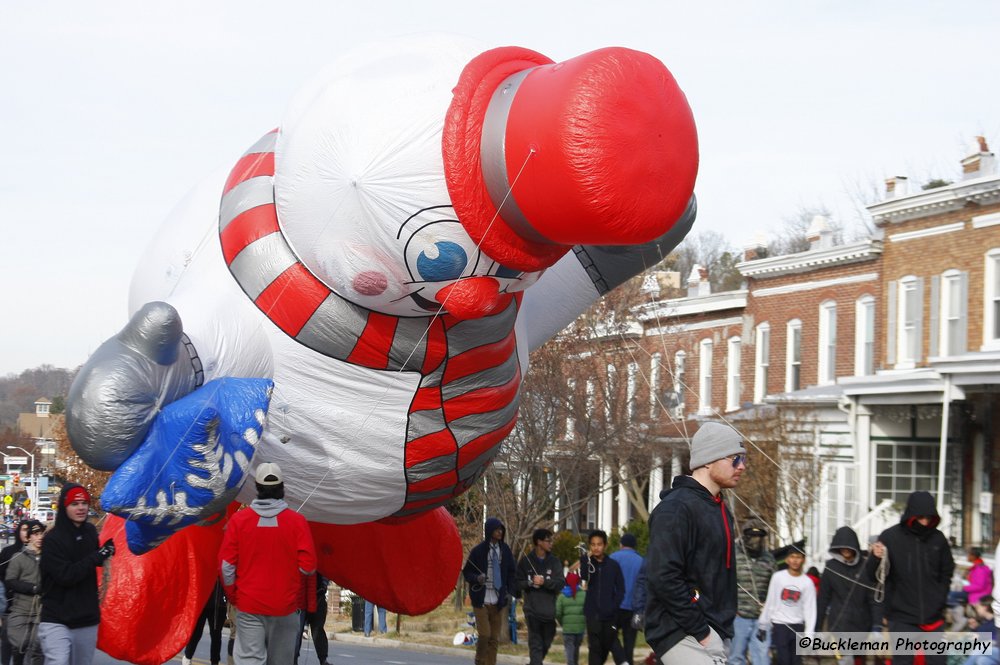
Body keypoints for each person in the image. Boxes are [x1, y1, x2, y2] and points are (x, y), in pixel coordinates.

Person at [646, 421, 747, 665]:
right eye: (734, 458)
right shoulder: (676, 508)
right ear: (709, 459)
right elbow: (664, 576)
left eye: (743, 459)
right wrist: (701, 632)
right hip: (681, 631)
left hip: (714, 630)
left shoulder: (719, 508)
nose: (742, 466)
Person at [220, 463, 318, 665]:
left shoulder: (239, 521)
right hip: (285, 607)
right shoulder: (297, 521)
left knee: (250, 661)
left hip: (249, 605)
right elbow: (308, 566)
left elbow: (226, 567)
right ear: (282, 488)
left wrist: (233, 595)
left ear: (257, 488)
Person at [868, 490, 954, 665]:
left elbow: (947, 571)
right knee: (903, 661)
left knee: (938, 661)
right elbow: (872, 576)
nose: (925, 521)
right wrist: (875, 558)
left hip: (933, 615)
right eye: (921, 517)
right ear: (911, 515)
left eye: (929, 517)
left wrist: (940, 598)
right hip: (901, 617)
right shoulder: (890, 537)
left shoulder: (938, 539)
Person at [37, 483, 115, 665]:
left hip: (86, 618)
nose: (80, 508)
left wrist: (106, 552)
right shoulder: (52, 539)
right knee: (58, 661)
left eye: (84, 503)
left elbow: (93, 561)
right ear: (64, 507)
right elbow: (66, 575)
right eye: (74, 504)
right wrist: (97, 556)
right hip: (56, 619)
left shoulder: (90, 532)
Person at [815, 527, 882, 665]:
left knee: (858, 660)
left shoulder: (865, 567)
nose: (845, 549)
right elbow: (823, 599)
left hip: (862, 624)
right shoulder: (830, 568)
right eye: (842, 546)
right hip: (839, 626)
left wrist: (877, 626)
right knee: (846, 660)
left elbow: (873, 598)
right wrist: (818, 628)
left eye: (848, 546)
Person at [462, 516, 516, 665]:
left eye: (501, 530)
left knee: (494, 639)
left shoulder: (505, 550)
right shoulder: (478, 551)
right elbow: (467, 572)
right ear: (489, 531)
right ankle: (479, 660)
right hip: (481, 599)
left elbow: (512, 571)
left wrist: (509, 591)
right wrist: (477, 578)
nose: (499, 532)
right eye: (496, 529)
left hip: (498, 600)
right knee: (484, 635)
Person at [757, 546, 816, 665]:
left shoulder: (807, 582)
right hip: (780, 626)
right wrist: (763, 624)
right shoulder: (778, 577)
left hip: (798, 626)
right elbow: (770, 601)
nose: (795, 560)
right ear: (787, 559)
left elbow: (810, 609)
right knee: (783, 660)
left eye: (798, 557)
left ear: (803, 559)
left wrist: (809, 634)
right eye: (792, 557)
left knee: (796, 661)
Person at [728, 519, 774, 665]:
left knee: (762, 658)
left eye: (759, 536)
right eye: (752, 535)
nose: (756, 539)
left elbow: (774, 587)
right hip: (738, 617)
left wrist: (769, 608)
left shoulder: (769, 559)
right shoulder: (733, 555)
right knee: (736, 658)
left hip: (762, 620)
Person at [516, 528, 565, 665]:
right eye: (548, 541)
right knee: (536, 644)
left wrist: (545, 582)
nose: (551, 544)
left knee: (546, 643)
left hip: (549, 612)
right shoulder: (526, 561)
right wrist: (530, 583)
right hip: (532, 611)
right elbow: (517, 583)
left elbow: (561, 583)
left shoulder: (554, 561)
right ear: (539, 542)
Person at [579, 529, 626, 665]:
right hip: (592, 614)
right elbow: (584, 577)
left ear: (605, 545)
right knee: (594, 648)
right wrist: (584, 561)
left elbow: (621, 589)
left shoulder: (613, 565)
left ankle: (623, 661)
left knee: (609, 643)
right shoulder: (588, 563)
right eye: (593, 544)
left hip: (609, 615)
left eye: (599, 544)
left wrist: (614, 605)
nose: (596, 547)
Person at [5, 521, 44, 665]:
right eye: (36, 534)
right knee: (20, 645)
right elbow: (10, 580)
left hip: (42, 612)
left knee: (38, 648)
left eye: (42, 534)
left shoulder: (49, 557)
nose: (40, 537)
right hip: (21, 610)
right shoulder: (18, 557)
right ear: (28, 537)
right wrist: (32, 588)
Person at [610, 533, 644, 665]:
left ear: (621, 544)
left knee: (610, 636)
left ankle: (621, 661)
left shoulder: (612, 558)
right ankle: (627, 660)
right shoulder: (641, 561)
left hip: (615, 606)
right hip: (633, 608)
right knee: (629, 643)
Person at [0, 521, 29, 665]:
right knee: (7, 644)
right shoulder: (8, 552)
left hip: (30, 608)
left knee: (23, 648)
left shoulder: (41, 553)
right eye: (24, 529)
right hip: (9, 606)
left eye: (31, 530)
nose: (27, 533)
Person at [182, 580, 227, 665]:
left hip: (218, 603)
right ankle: (187, 657)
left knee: (216, 636)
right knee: (196, 633)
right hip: (202, 601)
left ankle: (215, 662)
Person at [295, 574, 330, 665]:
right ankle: (294, 658)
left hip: (318, 595)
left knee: (318, 629)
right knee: (297, 632)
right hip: (299, 600)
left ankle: (323, 659)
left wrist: (324, 585)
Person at [556, 572, 587, 665]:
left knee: (569, 650)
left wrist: (562, 622)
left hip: (568, 629)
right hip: (580, 629)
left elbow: (557, 613)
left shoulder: (561, 596)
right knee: (576, 650)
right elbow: (587, 611)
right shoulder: (584, 595)